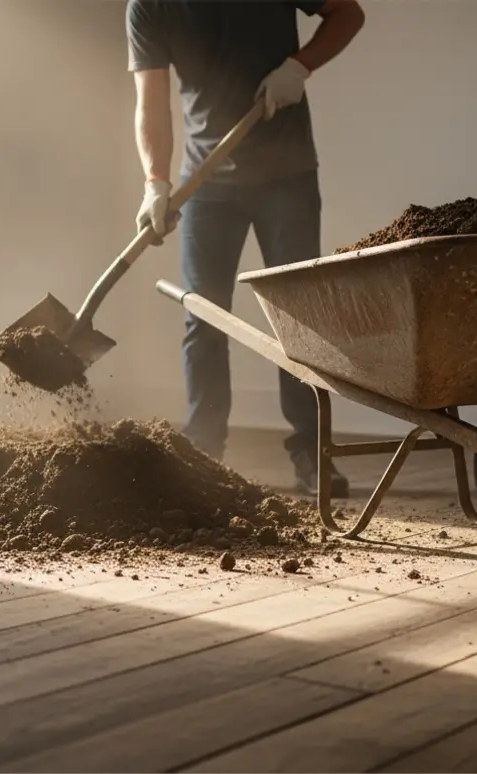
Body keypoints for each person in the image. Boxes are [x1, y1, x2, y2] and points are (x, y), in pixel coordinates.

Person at [126, 0, 366, 496]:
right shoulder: (149, 6)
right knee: (203, 316)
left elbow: (349, 13)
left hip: (287, 175)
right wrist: (155, 182)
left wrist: (299, 66)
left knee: (299, 314)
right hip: (206, 181)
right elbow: (150, 101)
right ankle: (203, 451)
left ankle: (312, 453)